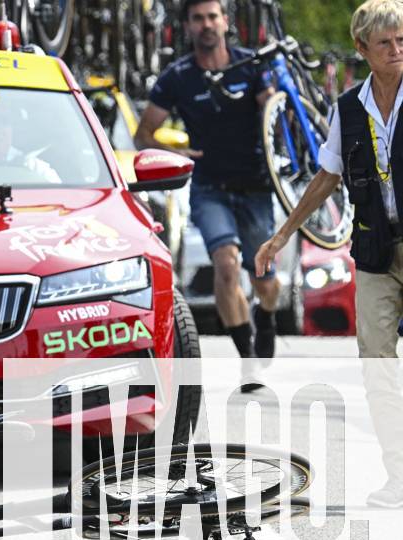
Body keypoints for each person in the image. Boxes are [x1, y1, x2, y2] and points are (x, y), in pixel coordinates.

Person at [255, 0, 403, 507]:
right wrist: (280, 237)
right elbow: (325, 179)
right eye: (386, 42)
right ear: (362, 49)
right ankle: (398, 477)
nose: (397, 49)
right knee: (377, 366)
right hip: (377, 251)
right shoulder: (348, 109)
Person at [135, 0, 279, 371]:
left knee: (264, 281)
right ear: (188, 26)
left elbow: (273, 114)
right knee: (225, 265)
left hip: (256, 186)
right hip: (209, 187)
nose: (207, 24)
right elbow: (143, 135)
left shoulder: (251, 65)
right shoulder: (177, 77)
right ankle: (246, 355)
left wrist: (275, 103)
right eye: (198, 18)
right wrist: (178, 154)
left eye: (213, 16)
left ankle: (266, 313)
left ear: (225, 22)